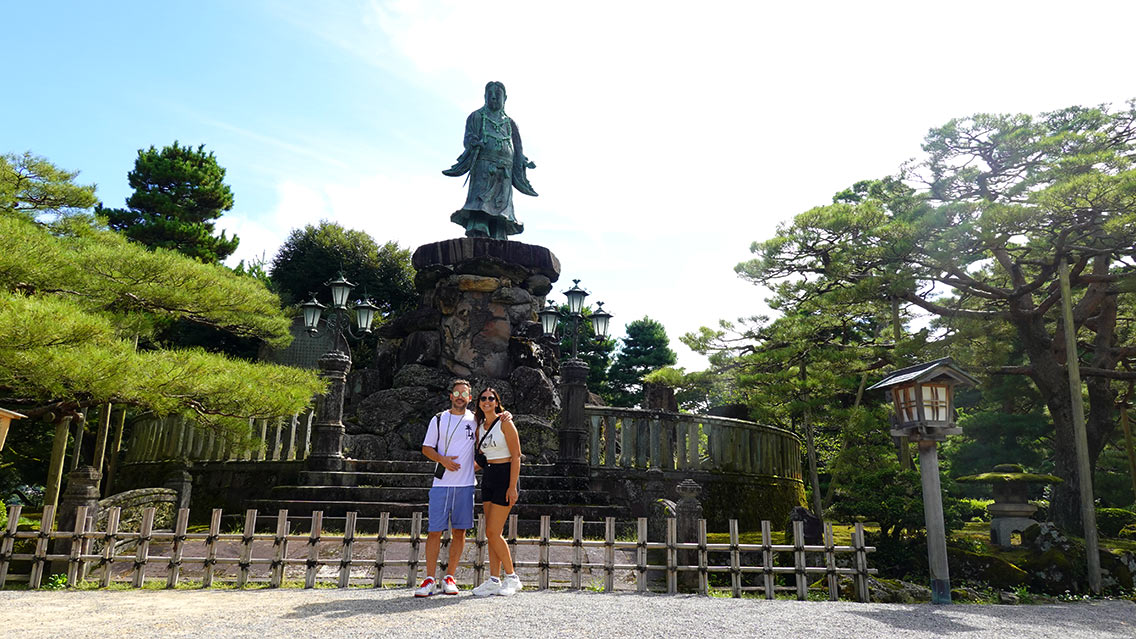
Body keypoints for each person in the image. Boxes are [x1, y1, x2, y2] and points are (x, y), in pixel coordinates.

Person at [442, 81, 537, 240]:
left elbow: (518, 148)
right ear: (484, 97)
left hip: (505, 170)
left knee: (502, 204)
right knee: (481, 199)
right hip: (484, 166)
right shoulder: (477, 116)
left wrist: (523, 161)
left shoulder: (510, 123)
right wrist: (473, 142)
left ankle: (499, 231)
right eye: (490, 95)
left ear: (505, 98)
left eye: (497, 95)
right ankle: (479, 227)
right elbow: (468, 137)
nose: (493, 98)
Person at [415, 379, 478, 597]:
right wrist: (442, 460)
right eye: (457, 392)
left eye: (465, 393)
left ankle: (450, 576)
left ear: (470, 398)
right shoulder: (439, 419)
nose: (460, 396)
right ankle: (430, 578)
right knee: (434, 531)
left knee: (459, 531)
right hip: (441, 483)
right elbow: (426, 447)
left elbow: (488, 439)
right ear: (451, 396)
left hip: (465, 484)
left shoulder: (475, 420)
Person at [470, 387, 524, 596]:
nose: (487, 401)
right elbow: (482, 457)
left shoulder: (505, 422)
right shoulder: (479, 427)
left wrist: (512, 486)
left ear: (497, 402)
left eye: (491, 398)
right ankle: (494, 579)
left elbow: (517, 456)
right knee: (492, 534)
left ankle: (512, 577)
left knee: (492, 531)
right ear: (479, 403)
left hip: (505, 475)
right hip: (489, 476)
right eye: (483, 399)